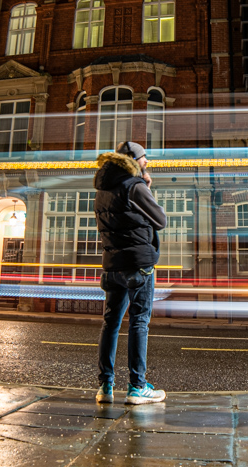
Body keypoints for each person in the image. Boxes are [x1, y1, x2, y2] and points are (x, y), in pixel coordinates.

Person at [93, 141, 167, 405]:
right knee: (138, 321)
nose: (147, 162)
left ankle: (105, 387)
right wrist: (146, 187)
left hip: (112, 264)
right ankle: (137, 387)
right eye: (144, 158)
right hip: (138, 264)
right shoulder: (134, 186)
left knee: (110, 323)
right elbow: (161, 220)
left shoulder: (102, 191)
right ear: (134, 160)